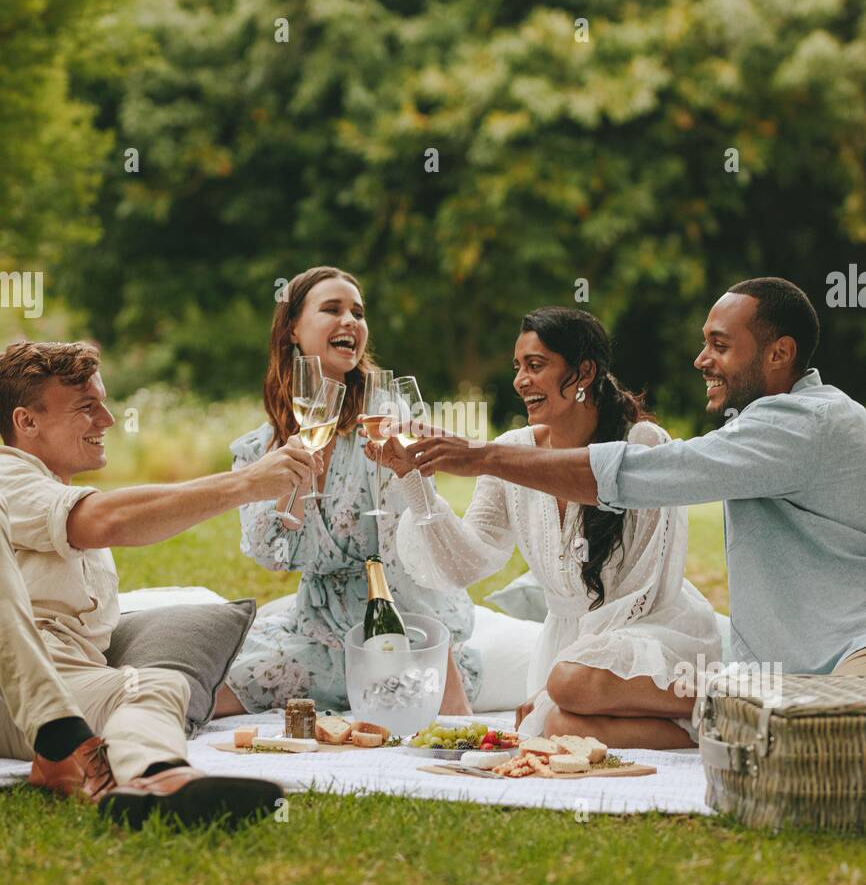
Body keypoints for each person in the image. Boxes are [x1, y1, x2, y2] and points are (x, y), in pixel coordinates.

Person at [406, 279, 866, 712]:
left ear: (779, 353)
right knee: (564, 715)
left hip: (850, 651)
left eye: (720, 345)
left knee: (832, 753)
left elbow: (653, 473)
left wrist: (481, 457)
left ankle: (716, 711)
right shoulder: (773, 423)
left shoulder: (804, 425)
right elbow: (468, 556)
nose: (701, 359)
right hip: (788, 672)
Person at [0, 338, 319, 826]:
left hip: (67, 685)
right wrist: (247, 483)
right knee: (148, 685)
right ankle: (119, 764)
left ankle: (160, 779)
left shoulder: (49, 490)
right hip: (18, 691)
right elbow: (108, 520)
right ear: (26, 422)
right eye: (88, 408)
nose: (107, 421)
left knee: (159, 682)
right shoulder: (7, 474)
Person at [377, 308, 721, 748]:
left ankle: (718, 694)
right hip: (572, 662)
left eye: (536, 366)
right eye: (518, 367)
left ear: (583, 372)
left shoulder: (642, 446)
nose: (521, 380)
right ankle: (709, 726)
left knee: (565, 687)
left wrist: (558, 680)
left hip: (654, 638)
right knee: (558, 726)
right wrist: (413, 479)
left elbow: (642, 588)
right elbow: (463, 563)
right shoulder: (511, 450)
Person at [215, 265, 481, 718]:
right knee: (209, 686)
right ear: (292, 331)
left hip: (398, 628)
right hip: (315, 630)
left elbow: (409, 552)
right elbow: (270, 552)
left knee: (396, 694)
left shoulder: (383, 422)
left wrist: (446, 680)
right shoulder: (262, 449)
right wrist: (296, 477)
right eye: (332, 309)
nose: (351, 321)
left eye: (358, 312)